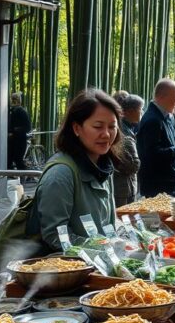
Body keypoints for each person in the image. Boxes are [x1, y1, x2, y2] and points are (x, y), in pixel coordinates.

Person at [36, 89, 120, 251]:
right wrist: (97, 249)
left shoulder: (104, 166)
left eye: (112, 127)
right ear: (76, 128)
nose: (106, 134)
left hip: (102, 259)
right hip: (71, 263)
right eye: (98, 126)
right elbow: (56, 235)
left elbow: (108, 224)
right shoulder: (60, 174)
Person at [136, 79, 175, 197]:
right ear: (162, 97)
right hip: (157, 186)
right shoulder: (153, 120)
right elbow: (152, 155)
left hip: (170, 183)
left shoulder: (168, 116)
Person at [112, 91, 143, 207]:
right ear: (129, 111)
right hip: (122, 187)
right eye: (140, 109)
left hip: (126, 186)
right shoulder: (122, 130)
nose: (141, 113)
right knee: (123, 214)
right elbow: (133, 164)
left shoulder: (128, 128)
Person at [7, 92, 31, 170]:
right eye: (12, 99)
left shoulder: (22, 111)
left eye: (15, 99)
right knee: (8, 161)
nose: (13, 101)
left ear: (18, 101)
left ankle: (26, 175)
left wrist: (14, 130)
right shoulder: (9, 111)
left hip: (20, 140)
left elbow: (28, 127)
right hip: (11, 141)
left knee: (18, 161)